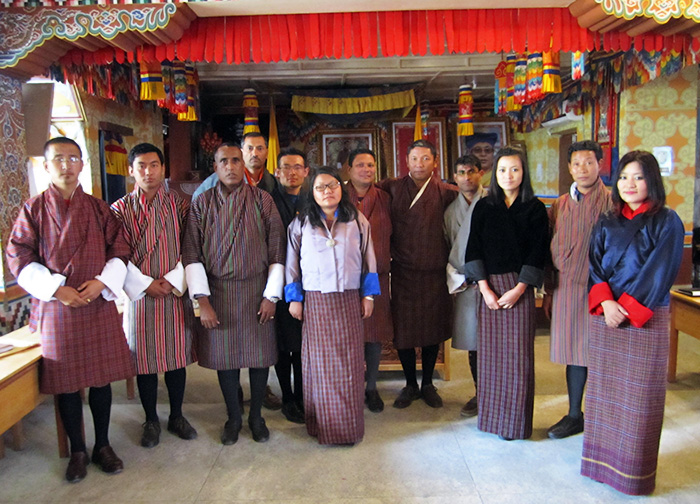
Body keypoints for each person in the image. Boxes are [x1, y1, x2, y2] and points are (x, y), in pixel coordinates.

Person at [5, 137, 134, 482]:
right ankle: (77, 450)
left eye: (73, 158)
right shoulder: (32, 210)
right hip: (57, 307)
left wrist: (102, 283)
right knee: (66, 383)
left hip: (96, 302)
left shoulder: (98, 208)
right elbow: (18, 256)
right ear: (46, 166)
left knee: (101, 380)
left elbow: (120, 249)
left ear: (81, 164)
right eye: (58, 159)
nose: (66, 165)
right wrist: (55, 290)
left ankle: (103, 445)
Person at [582, 150, 684, 495]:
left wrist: (623, 307)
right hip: (606, 317)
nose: (629, 184)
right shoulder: (607, 220)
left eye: (638, 177)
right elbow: (594, 264)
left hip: (644, 317)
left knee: (639, 398)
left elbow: (660, 272)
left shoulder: (667, 221)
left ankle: (632, 475)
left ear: (652, 181)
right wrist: (606, 301)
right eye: (624, 176)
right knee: (604, 394)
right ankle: (600, 464)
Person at [182, 143, 285, 445]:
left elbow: (278, 249)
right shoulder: (201, 203)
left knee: (259, 357)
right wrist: (203, 301)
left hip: (256, 290)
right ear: (215, 167)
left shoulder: (262, 200)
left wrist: (271, 296)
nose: (230, 166)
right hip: (218, 292)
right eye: (223, 161)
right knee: (225, 360)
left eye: (235, 161)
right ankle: (233, 417)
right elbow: (191, 254)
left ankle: (256, 417)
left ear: (243, 165)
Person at [285, 167, 380, 445]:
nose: (327, 191)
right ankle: (321, 425)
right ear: (311, 193)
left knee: (349, 364)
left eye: (333, 185)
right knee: (320, 365)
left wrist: (369, 295)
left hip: (349, 299)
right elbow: (292, 265)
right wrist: (295, 299)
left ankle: (348, 428)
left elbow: (369, 259)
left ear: (342, 188)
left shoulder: (356, 220)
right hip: (316, 301)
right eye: (320, 187)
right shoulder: (301, 223)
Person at [111, 143, 197, 448]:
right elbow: (116, 254)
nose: (148, 172)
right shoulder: (119, 210)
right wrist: (146, 284)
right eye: (141, 166)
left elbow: (192, 248)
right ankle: (150, 419)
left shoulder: (181, 206)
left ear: (164, 168)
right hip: (139, 297)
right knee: (143, 361)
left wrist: (173, 280)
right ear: (131, 170)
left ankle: (176, 415)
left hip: (174, 292)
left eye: (154, 165)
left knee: (176, 359)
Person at [464, 146, 549, 440]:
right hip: (488, 288)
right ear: (494, 174)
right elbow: (472, 248)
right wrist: (484, 289)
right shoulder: (484, 207)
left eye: (514, 169)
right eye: (502, 170)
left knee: (518, 359)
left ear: (523, 173)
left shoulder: (535, 209)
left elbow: (537, 253)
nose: (508, 175)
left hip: (519, 289)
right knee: (490, 359)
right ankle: (490, 420)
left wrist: (520, 289)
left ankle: (514, 424)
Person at [377, 139, 458, 409]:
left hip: (434, 273)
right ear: (406, 161)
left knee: (432, 329)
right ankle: (410, 384)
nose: (419, 164)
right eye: (414, 158)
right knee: (405, 330)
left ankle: (428, 384)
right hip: (402, 273)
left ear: (435, 162)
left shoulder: (447, 192)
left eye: (425, 159)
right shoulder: (391, 187)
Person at [542, 141, 612, 439]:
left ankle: (604, 414)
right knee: (573, 352)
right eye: (576, 163)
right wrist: (547, 290)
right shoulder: (559, 204)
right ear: (569, 167)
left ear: (600, 165)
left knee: (602, 353)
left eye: (589, 162)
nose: (582, 169)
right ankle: (574, 414)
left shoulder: (612, 201)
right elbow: (548, 248)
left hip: (602, 290)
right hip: (566, 288)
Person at [345, 149, 393, 412]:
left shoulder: (385, 198)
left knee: (373, 335)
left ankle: (371, 388)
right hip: (346, 279)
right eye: (360, 165)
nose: (366, 169)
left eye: (371, 165)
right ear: (349, 169)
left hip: (378, 276)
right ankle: (351, 387)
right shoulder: (338, 197)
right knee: (350, 334)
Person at [443, 154, 487, 418]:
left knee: (496, 341)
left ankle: (496, 391)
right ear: (455, 177)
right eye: (461, 172)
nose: (467, 177)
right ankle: (479, 392)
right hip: (466, 283)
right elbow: (450, 245)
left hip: (493, 282)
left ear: (480, 173)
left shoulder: (493, 202)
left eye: (471, 171)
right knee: (473, 341)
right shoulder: (450, 211)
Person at [270, 147, 309, 424]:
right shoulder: (268, 201)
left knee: (305, 344)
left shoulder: (314, 199)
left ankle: (305, 395)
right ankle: (288, 397)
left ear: (306, 172)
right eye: (286, 167)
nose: (292, 172)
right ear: (277, 172)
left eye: (297, 167)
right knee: (284, 344)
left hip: (312, 282)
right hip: (279, 280)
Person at [192, 132, 276, 199]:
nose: (254, 154)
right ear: (241, 153)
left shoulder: (274, 182)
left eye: (260, 148)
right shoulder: (220, 178)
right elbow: (197, 202)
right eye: (250, 148)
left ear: (267, 153)